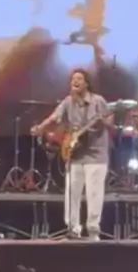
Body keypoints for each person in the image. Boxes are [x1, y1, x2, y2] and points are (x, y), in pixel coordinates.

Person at [31, 68, 112, 240]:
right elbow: (54, 117)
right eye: (73, 79)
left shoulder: (98, 101)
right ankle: (73, 228)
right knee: (72, 193)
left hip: (96, 156)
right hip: (75, 155)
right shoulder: (68, 102)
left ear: (87, 83)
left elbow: (109, 121)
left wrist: (102, 121)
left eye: (79, 79)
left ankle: (93, 230)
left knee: (94, 194)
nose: (75, 82)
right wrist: (40, 128)